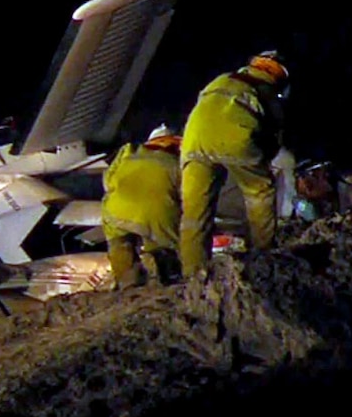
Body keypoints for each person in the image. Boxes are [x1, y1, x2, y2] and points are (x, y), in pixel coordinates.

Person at [179, 48, 290, 279]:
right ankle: (262, 257)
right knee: (259, 190)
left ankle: (192, 274)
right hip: (235, 139)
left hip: (193, 142)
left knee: (194, 212)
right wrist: (260, 162)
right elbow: (273, 139)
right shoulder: (266, 90)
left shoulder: (222, 80)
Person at [101, 123, 183, 289]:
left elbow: (107, 183)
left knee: (119, 244)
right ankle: (169, 281)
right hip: (157, 216)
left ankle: (127, 284)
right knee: (165, 246)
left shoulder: (128, 157)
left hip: (116, 212)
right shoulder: (178, 164)